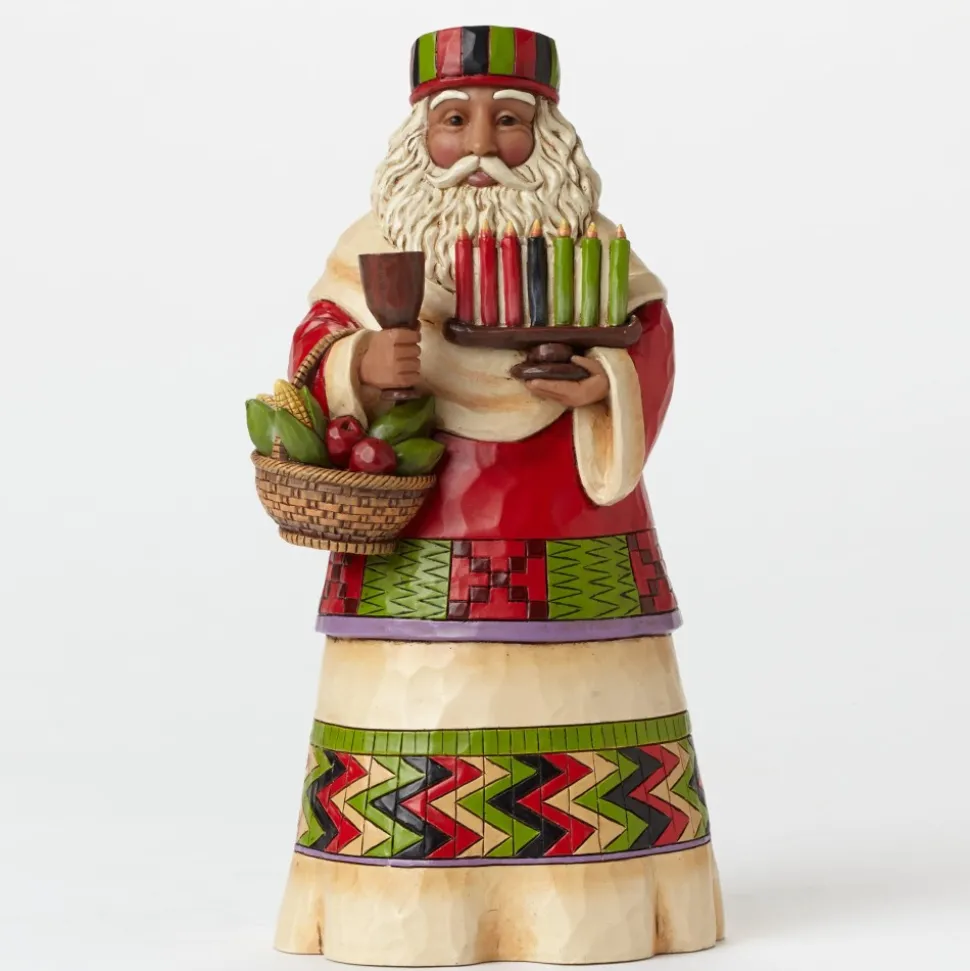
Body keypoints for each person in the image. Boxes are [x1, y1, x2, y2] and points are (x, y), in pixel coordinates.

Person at [275, 26, 723, 965]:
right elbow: (312, 352)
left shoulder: (596, 249)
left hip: (575, 524)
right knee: (415, 727)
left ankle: (599, 885)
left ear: (546, 136)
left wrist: (604, 379)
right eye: (455, 120)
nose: (480, 144)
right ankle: (401, 889)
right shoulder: (374, 250)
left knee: (588, 719)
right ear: (420, 136)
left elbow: (650, 338)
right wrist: (361, 363)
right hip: (417, 536)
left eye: (509, 120)